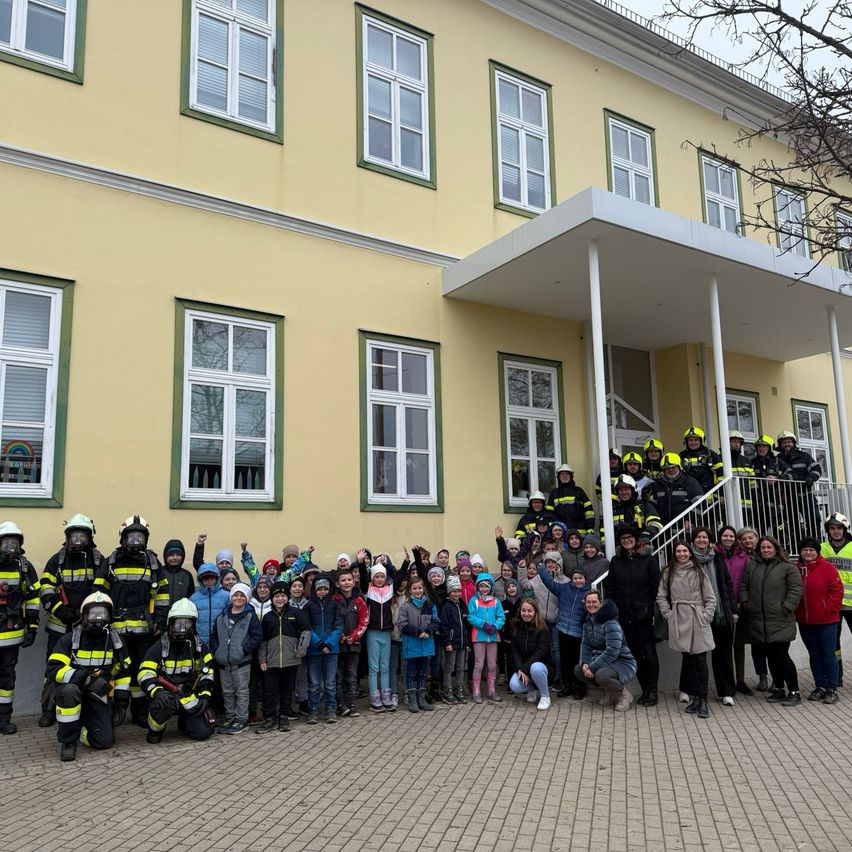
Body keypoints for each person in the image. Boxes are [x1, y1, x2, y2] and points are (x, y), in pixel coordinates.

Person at [93, 515, 167, 728]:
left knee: (140, 670)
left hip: (144, 631)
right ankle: (114, 709)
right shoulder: (111, 561)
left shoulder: (152, 563)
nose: (135, 541)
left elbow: (162, 594)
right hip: (115, 629)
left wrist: (160, 620)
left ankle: (140, 713)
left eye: (139, 536)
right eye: (131, 536)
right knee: (114, 670)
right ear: (122, 539)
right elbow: (98, 591)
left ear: (146, 539)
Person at [46, 591, 130, 762]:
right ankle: (68, 742)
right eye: (93, 614)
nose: (98, 618)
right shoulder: (69, 640)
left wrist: (121, 703)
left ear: (109, 616)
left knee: (104, 741)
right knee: (68, 691)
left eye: (102, 614)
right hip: (73, 691)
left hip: (98, 695)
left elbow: (123, 673)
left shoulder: (116, 642)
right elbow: (54, 669)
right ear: (84, 616)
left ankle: (81, 731)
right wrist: (85, 678)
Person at [38, 514, 100, 727]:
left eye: (82, 535)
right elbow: (45, 589)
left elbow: (101, 591)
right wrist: (60, 610)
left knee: (85, 667)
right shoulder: (57, 560)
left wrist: (88, 614)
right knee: (53, 669)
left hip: (87, 627)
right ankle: (48, 710)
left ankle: (83, 708)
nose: (77, 540)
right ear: (67, 536)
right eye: (74, 535)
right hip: (59, 627)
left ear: (89, 537)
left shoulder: (97, 559)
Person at [139, 599, 215, 743]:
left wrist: (205, 696)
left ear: (193, 624)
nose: (182, 627)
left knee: (203, 733)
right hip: (165, 696)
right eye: (178, 623)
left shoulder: (198, 646)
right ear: (170, 623)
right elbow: (144, 673)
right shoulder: (160, 645)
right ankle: (155, 730)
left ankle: (185, 722)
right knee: (161, 706)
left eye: (186, 623)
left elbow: (208, 673)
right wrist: (157, 691)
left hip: (188, 696)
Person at [740, 536, 803, 706]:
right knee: (770, 657)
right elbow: (743, 586)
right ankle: (779, 690)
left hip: (780, 620)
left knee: (781, 656)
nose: (766, 550)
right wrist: (747, 603)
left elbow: (796, 589)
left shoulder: (787, 567)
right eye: (763, 548)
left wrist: (786, 607)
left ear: (776, 548)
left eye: (769, 547)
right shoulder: (752, 565)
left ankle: (794, 692)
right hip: (759, 620)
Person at [657, 541, 716, 719]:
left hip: (698, 618)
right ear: (674, 554)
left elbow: (710, 597)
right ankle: (696, 698)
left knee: (701, 661)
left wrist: (706, 616)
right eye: (678, 551)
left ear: (690, 553)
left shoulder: (699, 571)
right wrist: (669, 615)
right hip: (679, 619)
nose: (682, 554)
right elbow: (661, 596)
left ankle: (704, 700)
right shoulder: (668, 572)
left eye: (684, 551)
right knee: (688, 660)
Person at [605, 525, 660, 706]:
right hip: (624, 617)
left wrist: (652, 612)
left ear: (636, 540)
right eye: (623, 538)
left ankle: (652, 691)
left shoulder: (648, 560)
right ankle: (644, 690)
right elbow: (611, 588)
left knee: (649, 654)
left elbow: (656, 588)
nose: (627, 540)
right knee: (635, 655)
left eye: (630, 537)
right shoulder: (616, 561)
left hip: (644, 616)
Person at [690, 528, 736, 706]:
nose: (702, 540)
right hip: (698, 613)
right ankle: (694, 691)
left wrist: (732, 609)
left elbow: (726, 582)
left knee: (723, 653)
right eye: (698, 537)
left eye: (705, 537)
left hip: (719, 612)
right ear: (693, 540)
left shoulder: (717, 557)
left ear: (710, 540)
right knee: (695, 655)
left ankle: (726, 691)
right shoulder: (689, 557)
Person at [256, 581, 310, 732]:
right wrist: (262, 659)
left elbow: (306, 631)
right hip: (271, 661)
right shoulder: (267, 617)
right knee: (270, 691)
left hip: (291, 659)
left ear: (287, 597)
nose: (280, 599)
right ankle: (270, 718)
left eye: (283, 596)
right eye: (277, 596)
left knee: (287, 690)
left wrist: (301, 649)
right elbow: (263, 641)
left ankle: (284, 716)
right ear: (272, 599)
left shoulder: (295, 613)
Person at [210, 582, 262, 733]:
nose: (238, 598)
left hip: (241, 662)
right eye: (235, 595)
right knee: (227, 691)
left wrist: (242, 650)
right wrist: (217, 650)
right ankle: (230, 717)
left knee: (242, 691)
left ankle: (241, 719)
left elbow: (257, 637)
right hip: (224, 662)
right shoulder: (222, 616)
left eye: (242, 595)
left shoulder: (250, 616)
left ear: (247, 598)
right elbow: (214, 636)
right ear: (231, 597)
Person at [795, 538, 843, 704]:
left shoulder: (828, 568)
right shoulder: (796, 569)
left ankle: (832, 688)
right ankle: (820, 686)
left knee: (828, 654)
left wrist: (828, 610)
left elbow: (837, 591)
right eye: (804, 550)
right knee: (814, 654)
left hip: (827, 621)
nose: (808, 553)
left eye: (811, 550)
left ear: (817, 552)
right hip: (805, 622)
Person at [574, 590, 637, 711]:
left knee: (601, 675)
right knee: (578, 670)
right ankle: (610, 692)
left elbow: (613, 650)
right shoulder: (587, 622)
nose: (591, 605)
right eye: (588, 602)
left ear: (601, 603)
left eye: (594, 602)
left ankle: (624, 695)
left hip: (622, 661)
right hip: (601, 660)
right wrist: (585, 663)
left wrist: (593, 667)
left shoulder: (611, 623)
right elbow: (585, 645)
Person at [536, 563, 589, 699]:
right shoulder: (564, 589)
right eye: (575, 578)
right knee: (565, 661)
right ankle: (567, 686)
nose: (578, 580)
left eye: (580, 578)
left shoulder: (588, 593)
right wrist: (541, 568)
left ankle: (579, 687)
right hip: (563, 630)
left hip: (578, 633)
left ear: (585, 579)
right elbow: (549, 583)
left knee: (577, 662)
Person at [715, 525, 753, 695]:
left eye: (731, 536)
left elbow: (746, 581)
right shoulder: (714, 555)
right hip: (721, 607)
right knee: (724, 645)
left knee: (738, 644)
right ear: (720, 537)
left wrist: (741, 602)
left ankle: (740, 680)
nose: (728, 539)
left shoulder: (743, 557)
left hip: (739, 606)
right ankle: (727, 682)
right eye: (725, 536)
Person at [396, 576, 439, 713]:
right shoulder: (405, 607)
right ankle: (412, 699)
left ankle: (422, 698)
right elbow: (402, 625)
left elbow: (436, 621)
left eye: (420, 588)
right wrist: (417, 632)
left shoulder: (430, 605)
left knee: (423, 673)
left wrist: (428, 631)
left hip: (426, 645)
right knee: (411, 673)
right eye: (414, 588)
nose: (417, 590)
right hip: (411, 646)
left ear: (423, 589)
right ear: (410, 590)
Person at [305, 575, 342, 724]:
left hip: (331, 651)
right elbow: (307, 627)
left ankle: (330, 710)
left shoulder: (334, 605)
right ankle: (313, 711)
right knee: (313, 683)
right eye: (319, 589)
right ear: (315, 590)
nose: (322, 592)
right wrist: (319, 644)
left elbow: (339, 627)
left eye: (325, 589)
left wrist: (329, 644)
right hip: (314, 650)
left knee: (330, 682)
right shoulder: (308, 606)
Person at [820, 512, 852, 686]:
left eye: (839, 528)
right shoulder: (822, 548)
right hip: (832, 605)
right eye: (832, 528)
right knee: (833, 643)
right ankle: (836, 676)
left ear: (844, 529)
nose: (836, 531)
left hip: (851, 604)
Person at [333, 564, 369, 717]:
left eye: (349, 580)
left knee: (351, 675)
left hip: (354, 645)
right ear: (337, 583)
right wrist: (340, 636)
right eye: (343, 580)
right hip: (338, 644)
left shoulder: (359, 601)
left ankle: (352, 703)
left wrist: (354, 636)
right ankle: (340, 704)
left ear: (354, 581)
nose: (347, 583)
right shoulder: (334, 600)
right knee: (338, 675)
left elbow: (364, 621)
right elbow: (332, 621)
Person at [736, 527, 769, 690]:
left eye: (751, 538)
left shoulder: (766, 552)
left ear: (757, 538)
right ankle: (762, 676)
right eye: (744, 539)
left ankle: (776, 678)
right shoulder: (738, 557)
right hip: (747, 606)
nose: (748, 541)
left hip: (767, 606)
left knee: (770, 644)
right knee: (756, 644)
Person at [507, 598, 553, 710]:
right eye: (523, 610)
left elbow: (541, 652)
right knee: (514, 685)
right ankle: (532, 688)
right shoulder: (516, 627)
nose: (526, 614)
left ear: (535, 612)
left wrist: (524, 669)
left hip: (543, 667)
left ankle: (545, 696)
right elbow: (514, 651)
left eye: (529, 611)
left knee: (535, 667)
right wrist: (519, 668)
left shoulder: (542, 629)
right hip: (524, 667)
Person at [776, 430, 822, 541]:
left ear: (794, 443)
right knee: (792, 523)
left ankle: (814, 543)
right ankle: (797, 545)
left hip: (805, 494)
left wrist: (811, 478)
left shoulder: (804, 456)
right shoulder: (777, 459)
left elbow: (817, 469)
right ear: (780, 445)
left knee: (814, 519)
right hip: (788, 498)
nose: (787, 444)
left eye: (789, 442)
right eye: (784, 442)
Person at [468, 572, 506, 704]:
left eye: (487, 586)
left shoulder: (496, 601)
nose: (484, 589)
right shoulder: (474, 601)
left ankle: (491, 690)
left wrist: (495, 626)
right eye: (482, 586)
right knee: (478, 665)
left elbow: (501, 617)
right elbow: (471, 617)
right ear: (478, 587)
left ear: (491, 587)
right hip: (479, 636)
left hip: (493, 637)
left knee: (492, 665)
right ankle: (476, 691)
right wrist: (483, 625)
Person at [364, 560, 395, 712]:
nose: (380, 579)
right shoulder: (368, 590)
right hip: (373, 632)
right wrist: (361, 562)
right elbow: (363, 577)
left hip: (387, 632)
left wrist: (388, 563)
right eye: (377, 576)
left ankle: (385, 696)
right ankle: (374, 698)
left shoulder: (390, 590)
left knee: (385, 666)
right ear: (372, 578)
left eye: (382, 576)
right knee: (374, 667)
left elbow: (398, 575)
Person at [646, 453, 704, 527]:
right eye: (667, 468)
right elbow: (653, 507)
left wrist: (690, 519)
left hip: (684, 530)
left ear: (679, 467)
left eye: (673, 467)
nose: (670, 470)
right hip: (664, 530)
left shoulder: (690, 482)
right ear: (663, 470)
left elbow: (701, 503)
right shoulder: (658, 485)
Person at [439, 575, 469, 705]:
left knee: (461, 667)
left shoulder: (461, 605)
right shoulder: (447, 606)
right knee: (449, 667)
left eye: (458, 591)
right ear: (449, 592)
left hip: (462, 643)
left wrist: (467, 643)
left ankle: (459, 689)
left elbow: (465, 626)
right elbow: (444, 626)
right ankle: (448, 691)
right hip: (451, 643)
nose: (457, 593)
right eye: (454, 591)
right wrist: (447, 642)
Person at [609, 476, 662, 543]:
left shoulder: (644, 506)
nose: (624, 492)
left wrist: (646, 534)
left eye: (626, 489)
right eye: (621, 490)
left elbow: (656, 523)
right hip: (619, 550)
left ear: (633, 490)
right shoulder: (613, 510)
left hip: (641, 547)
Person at [190, 563, 230, 646]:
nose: (209, 580)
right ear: (200, 580)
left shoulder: (226, 596)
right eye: (205, 578)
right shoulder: (194, 598)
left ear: (217, 578)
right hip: (201, 641)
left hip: (221, 639)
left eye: (212, 577)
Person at [547, 464, 595, 535]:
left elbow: (589, 512)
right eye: (562, 474)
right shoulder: (554, 493)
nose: (564, 476)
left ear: (571, 476)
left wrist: (590, 527)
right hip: (561, 533)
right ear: (558, 477)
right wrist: (552, 529)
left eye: (567, 474)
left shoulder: (579, 491)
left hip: (580, 533)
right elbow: (549, 514)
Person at [679, 426, 723, 494]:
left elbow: (721, 475)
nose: (693, 442)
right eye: (690, 440)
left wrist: (721, 493)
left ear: (701, 441)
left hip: (708, 493)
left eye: (696, 440)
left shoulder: (711, 454)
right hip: (688, 492)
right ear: (686, 442)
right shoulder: (681, 456)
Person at [159, 539, 195, 605]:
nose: (175, 558)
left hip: (181, 614)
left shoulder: (187, 575)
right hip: (160, 614)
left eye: (178, 555)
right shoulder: (159, 573)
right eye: (171, 555)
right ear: (166, 556)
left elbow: (191, 599)